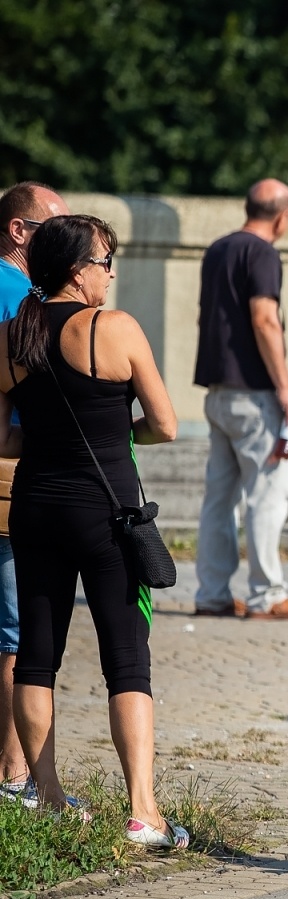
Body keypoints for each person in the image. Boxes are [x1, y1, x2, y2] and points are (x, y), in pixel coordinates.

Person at [0, 215, 187, 846]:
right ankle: (144, 810)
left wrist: (46, 440)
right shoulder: (114, 328)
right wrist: (116, 435)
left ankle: (46, 793)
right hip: (105, 512)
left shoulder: (10, 338)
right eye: (106, 261)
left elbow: (1, 438)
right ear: (79, 269)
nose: (110, 273)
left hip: (34, 505)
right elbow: (165, 424)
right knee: (126, 659)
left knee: (37, 653)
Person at [192, 179, 288, 621]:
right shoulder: (262, 253)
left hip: (217, 392)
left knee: (219, 498)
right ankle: (268, 595)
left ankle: (211, 593)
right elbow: (265, 319)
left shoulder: (217, 250)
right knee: (267, 495)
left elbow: (204, 316)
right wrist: (285, 386)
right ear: (282, 216)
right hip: (253, 394)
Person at [0, 182, 68, 809]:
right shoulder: (22, 298)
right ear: (21, 232)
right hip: (11, 487)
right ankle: (16, 779)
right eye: (56, 223)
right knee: (16, 636)